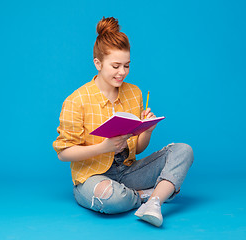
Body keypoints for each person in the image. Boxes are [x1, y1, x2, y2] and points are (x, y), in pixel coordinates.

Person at [53, 16, 194, 227]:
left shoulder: (134, 93)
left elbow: (137, 149)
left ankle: (154, 202)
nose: (122, 73)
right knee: (111, 198)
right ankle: (147, 195)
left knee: (183, 150)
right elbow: (64, 153)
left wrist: (147, 130)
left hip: (127, 172)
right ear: (98, 63)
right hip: (92, 177)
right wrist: (103, 147)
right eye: (116, 66)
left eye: (126, 65)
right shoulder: (77, 100)